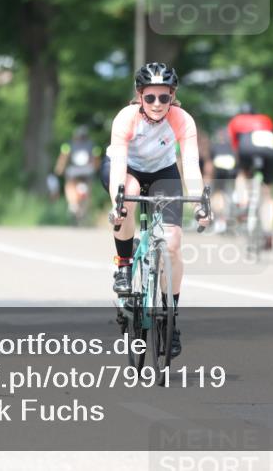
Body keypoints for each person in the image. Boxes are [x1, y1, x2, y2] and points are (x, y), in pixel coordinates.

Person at [101, 62, 209, 358]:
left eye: (164, 97)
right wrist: (117, 204)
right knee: (130, 195)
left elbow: (190, 165)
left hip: (162, 172)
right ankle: (124, 265)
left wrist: (199, 201)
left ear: (173, 96)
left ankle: (171, 319)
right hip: (127, 170)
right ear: (140, 96)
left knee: (173, 243)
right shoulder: (126, 118)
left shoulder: (182, 120)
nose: (158, 104)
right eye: (150, 97)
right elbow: (120, 165)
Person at [227, 103, 273, 250]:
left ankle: (243, 204)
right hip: (269, 146)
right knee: (267, 193)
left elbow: (235, 147)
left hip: (248, 144)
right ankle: (268, 230)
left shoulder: (236, 121)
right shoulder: (265, 119)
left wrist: (240, 167)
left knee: (242, 174)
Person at [54, 126, 101, 222]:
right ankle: (84, 209)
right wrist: (96, 169)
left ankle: (73, 204)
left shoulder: (68, 145)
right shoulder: (93, 145)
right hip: (88, 171)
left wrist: (59, 169)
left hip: (73, 171)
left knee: (69, 185)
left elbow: (63, 157)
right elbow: (96, 159)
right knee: (88, 189)